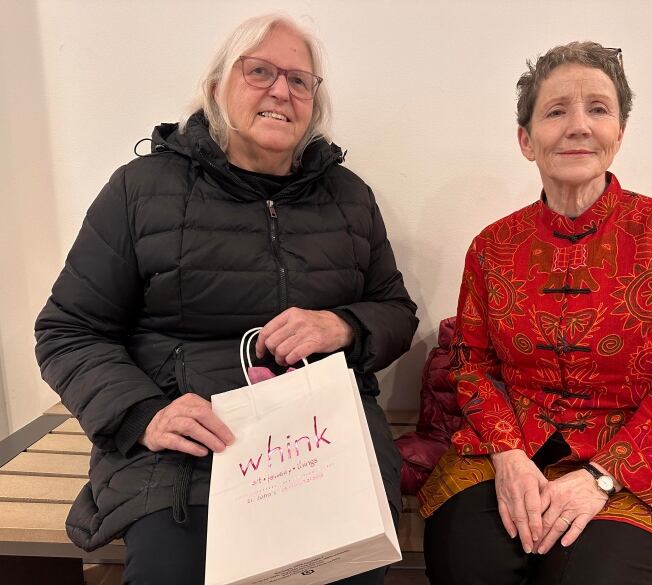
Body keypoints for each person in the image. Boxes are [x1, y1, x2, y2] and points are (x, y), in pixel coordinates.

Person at [34, 14, 417, 585]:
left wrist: (342, 326)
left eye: (299, 80)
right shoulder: (140, 190)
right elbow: (67, 330)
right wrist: (144, 414)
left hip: (321, 444)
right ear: (217, 86)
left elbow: (395, 311)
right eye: (259, 71)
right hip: (185, 454)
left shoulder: (348, 196)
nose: (281, 91)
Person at [420, 42, 652, 585]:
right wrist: (508, 456)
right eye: (556, 110)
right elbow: (472, 364)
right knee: (469, 568)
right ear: (526, 139)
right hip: (509, 445)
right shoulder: (491, 247)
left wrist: (602, 477)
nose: (578, 126)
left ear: (619, 133)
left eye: (598, 108)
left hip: (634, 457)